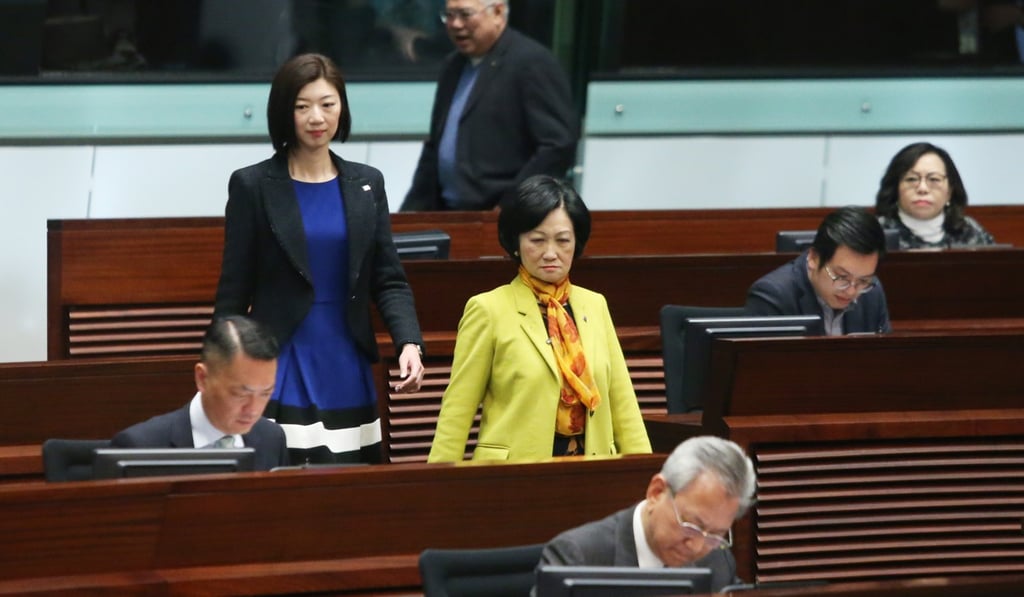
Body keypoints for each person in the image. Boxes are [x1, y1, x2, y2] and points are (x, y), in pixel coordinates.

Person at [213, 52, 425, 465]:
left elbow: (389, 278)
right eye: (302, 106)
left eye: (328, 104)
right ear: (284, 112)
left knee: (350, 486)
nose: (317, 117)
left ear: (341, 108)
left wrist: (409, 342)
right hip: (281, 356)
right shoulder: (253, 185)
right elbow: (233, 290)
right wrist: (222, 367)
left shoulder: (366, 183)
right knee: (284, 478)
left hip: (346, 356)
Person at [427, 175, 651, 462]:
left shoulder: (594, 305)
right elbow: (457, 410)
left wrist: (645, 472)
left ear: (576, 243)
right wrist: (438, 488)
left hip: (592, 468)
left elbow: (623, 404)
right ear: (516, 243)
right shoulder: (488, 309)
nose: (550, 253)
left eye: (562, 241)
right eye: (537, 240)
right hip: (514, 476)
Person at [400, 0, 578, 211]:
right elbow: (435, 146)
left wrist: (512, 204)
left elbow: (557, 145)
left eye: (465, 14)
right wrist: (410, 210)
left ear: (498, 12)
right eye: (449, 15)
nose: (456, 24)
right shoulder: (453, 66)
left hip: (498, 214)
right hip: (446, 211)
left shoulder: (531, 62)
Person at [535, 436, 756, 593]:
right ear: (656, 492)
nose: (697, 546)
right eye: (691, 525)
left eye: (715, 535)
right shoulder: (577, 557)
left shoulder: (717, 561)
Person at [110, 316, 288, 471]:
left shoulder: (272, 438)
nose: (253, 410)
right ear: (202, 378)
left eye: (265, 393)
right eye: (240, 394)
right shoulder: (139, 447)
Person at [746, 206, 892, 336]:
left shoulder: (872, 292)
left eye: (863, 280)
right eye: (842, 277)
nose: (851, 292)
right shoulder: (773, 296)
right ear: (813, 258)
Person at [875, 141, 995, 250]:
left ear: (950, 192)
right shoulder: (876, 232)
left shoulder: (969, 232)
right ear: (895, 188)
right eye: (912, 179)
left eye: (934, 179)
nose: (923, 189)